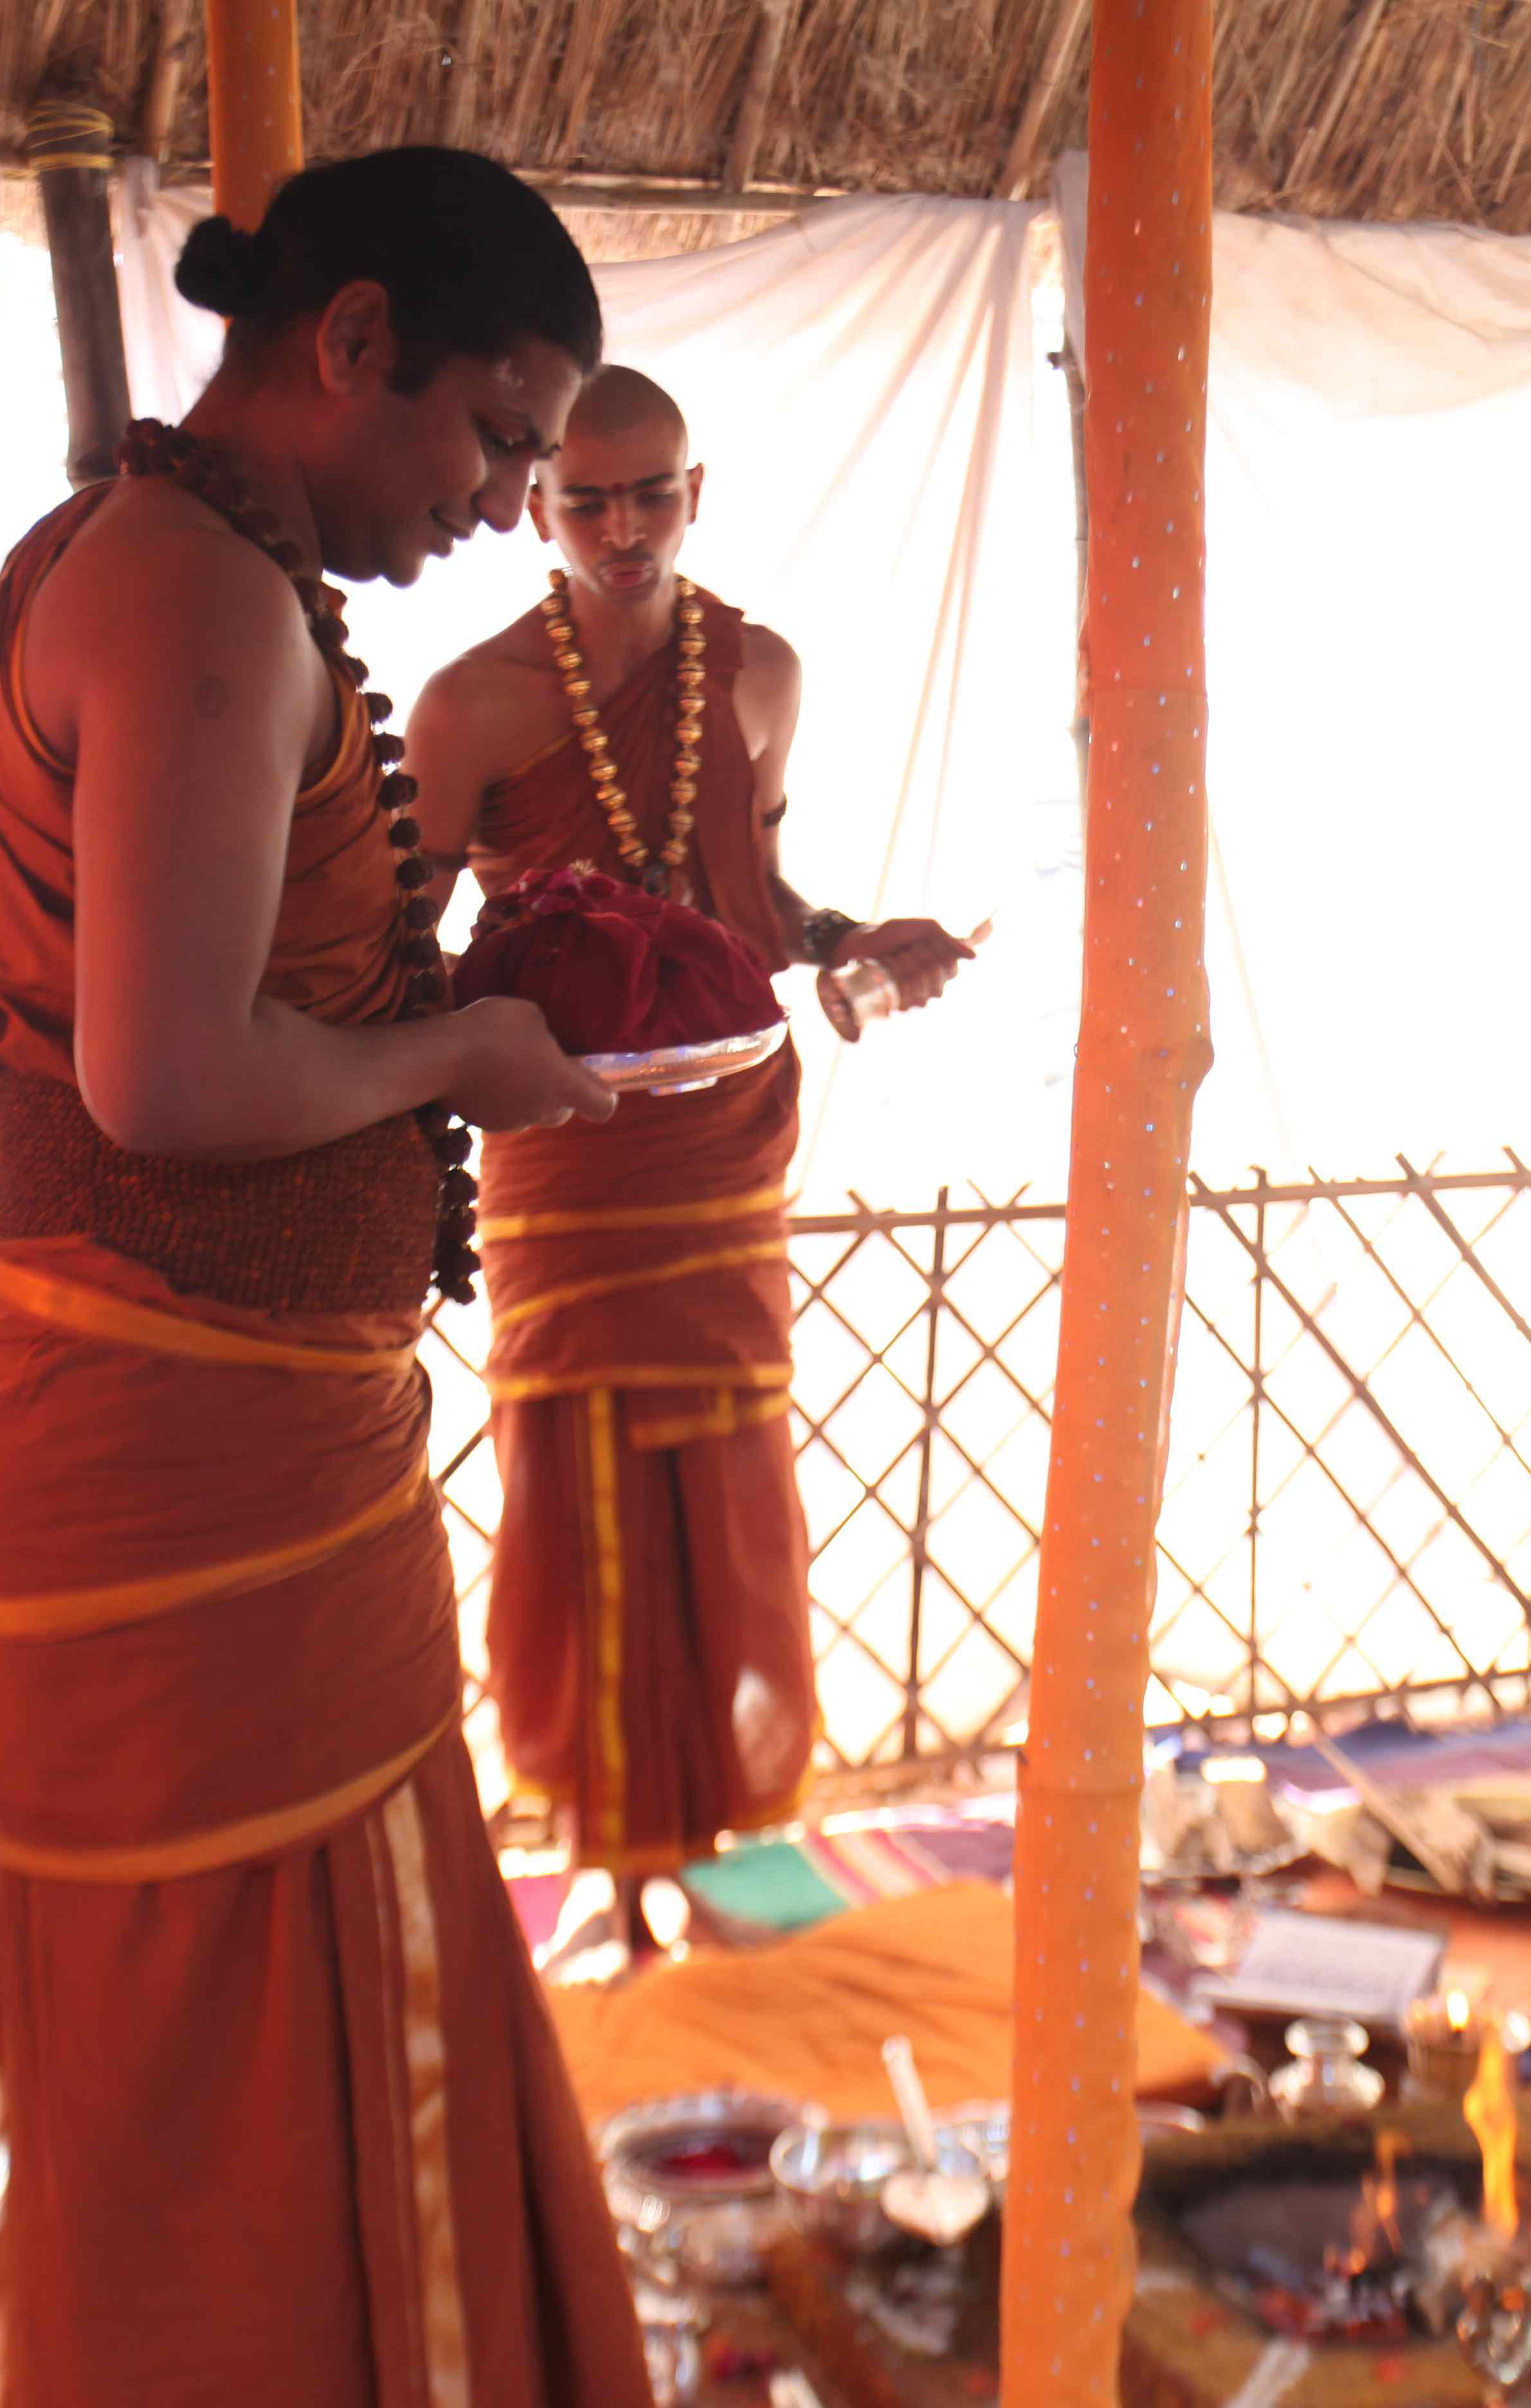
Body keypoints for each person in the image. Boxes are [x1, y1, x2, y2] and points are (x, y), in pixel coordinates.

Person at [0, 148, 651, 2406]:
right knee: (292, 2071)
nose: (505, 503)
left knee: (211, 2082)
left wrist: (426, 1001)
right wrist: (461, 1053)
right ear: (354, 339)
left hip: (158, 1431)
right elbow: (171, 1076)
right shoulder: (199, 595)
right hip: (176, 1459)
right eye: (494, 437)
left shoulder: (148, 563)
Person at [405, 367, 972, 1963]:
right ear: (535, 505)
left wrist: (853, 942)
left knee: (727, 1473)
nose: (623, 527)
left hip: (721, 1130)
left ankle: (715, 1841)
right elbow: (396, 949)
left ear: (696, 493)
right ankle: (607, 1859)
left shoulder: (763, 672)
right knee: (572, 1466)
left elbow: (753, 899)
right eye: (586, 498)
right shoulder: (470, 704)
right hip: (562, 1137)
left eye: (652, 492)